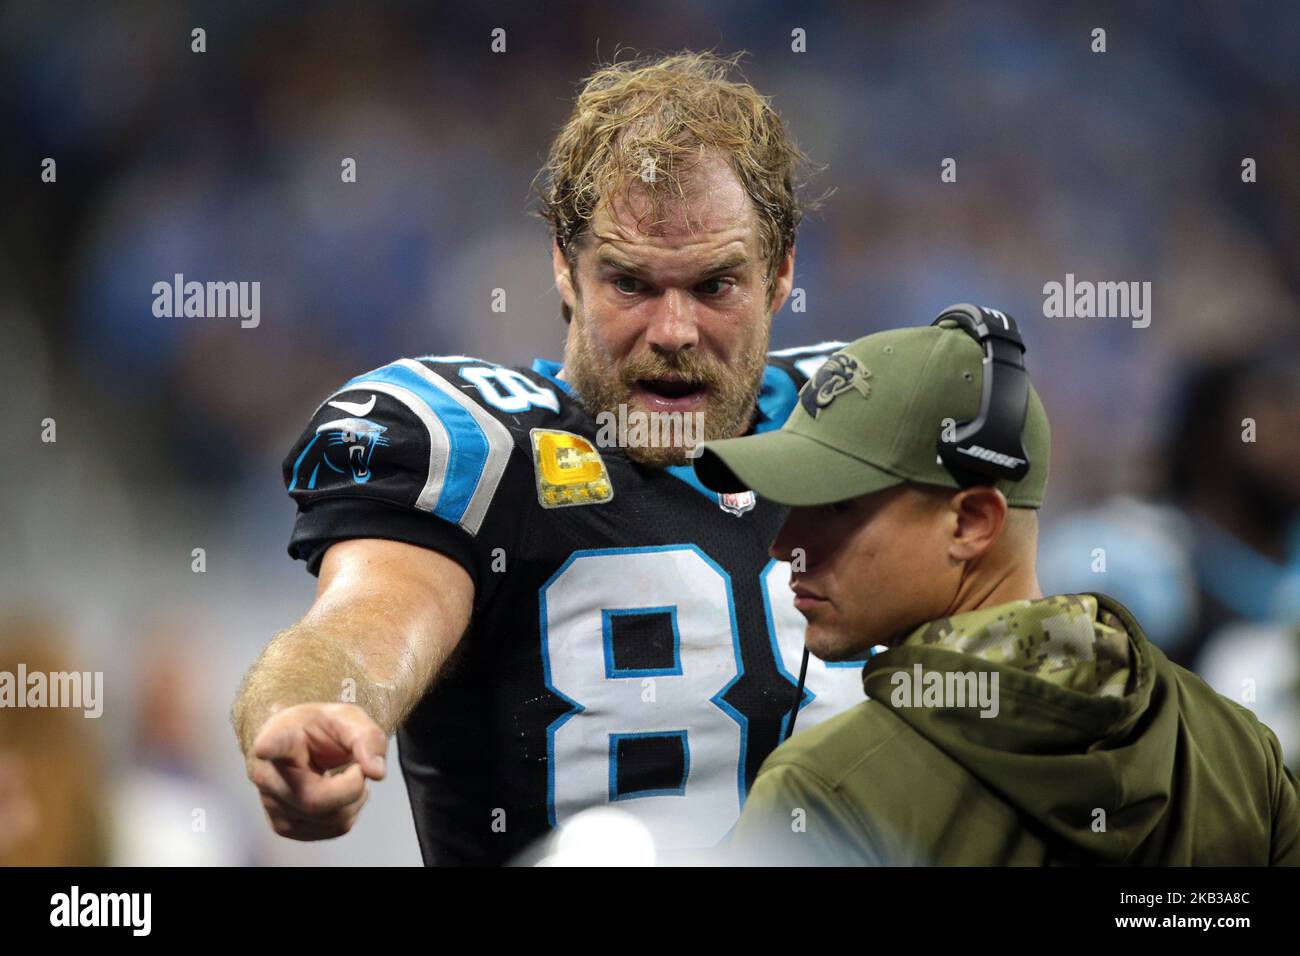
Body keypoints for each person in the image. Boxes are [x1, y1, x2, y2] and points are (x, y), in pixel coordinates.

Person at [231, 51, 865, 866]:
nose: (673, 332)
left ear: (779, 274)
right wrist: (316, 707)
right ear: (565, 267)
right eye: (631, 284)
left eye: (714, 286)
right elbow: (361, 622)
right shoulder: (486, 448)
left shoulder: (860, 428)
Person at [695, 310, 1300, 865]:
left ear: (971, 522)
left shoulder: (823, 791)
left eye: (836, 507)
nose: (783, 545)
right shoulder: (1241, 753)